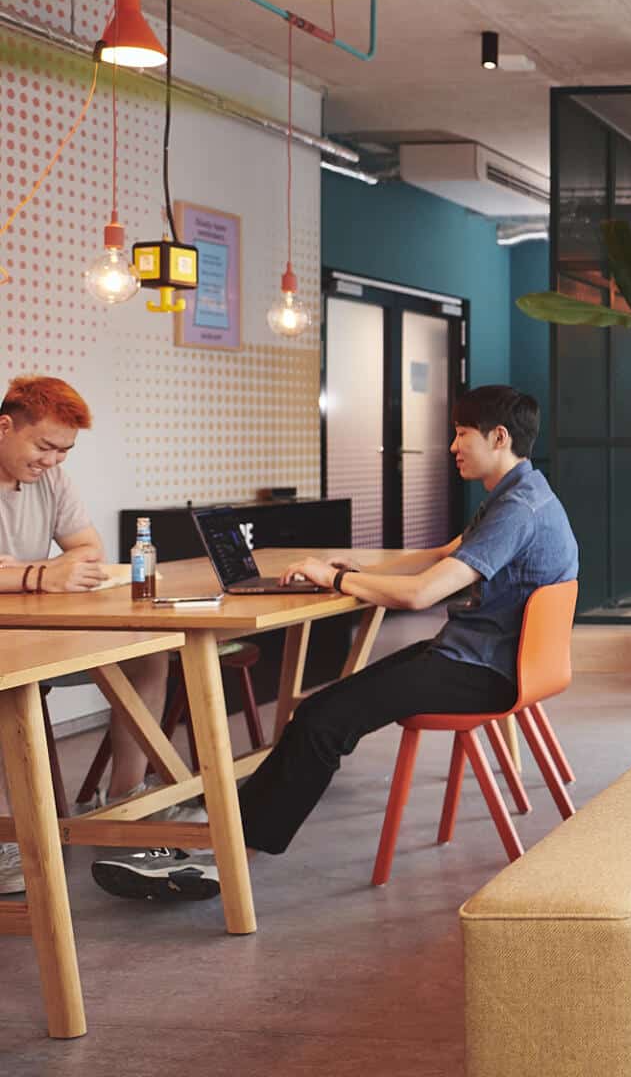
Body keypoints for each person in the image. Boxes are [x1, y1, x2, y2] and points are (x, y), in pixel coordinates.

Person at [91, 386, 579, 902]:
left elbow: (421, 594)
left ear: (498, 437)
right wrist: (353, 568)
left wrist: (336, 581)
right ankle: (223, 829)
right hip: (484, 659)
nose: (452, 446)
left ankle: (227, 860)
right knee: (322, 712)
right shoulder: (522, 494)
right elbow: (438, 556)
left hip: (483, 672)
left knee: (322, 720)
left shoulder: (515, 509)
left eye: (461, 434)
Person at [0, 376, 171, 897]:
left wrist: (23, 572)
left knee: (147, 656)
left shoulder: (50, 479)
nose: (53, 461)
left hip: (34, 631)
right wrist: (38, 575)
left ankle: (123, 803)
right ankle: (9, 836)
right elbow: (59, 565)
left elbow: (89, 551)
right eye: (45, 446)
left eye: (64, 451)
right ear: (5, 427)